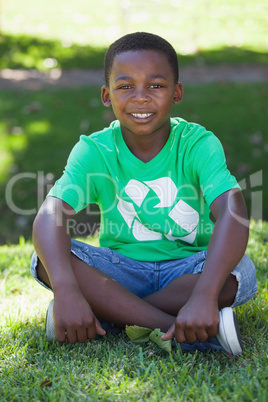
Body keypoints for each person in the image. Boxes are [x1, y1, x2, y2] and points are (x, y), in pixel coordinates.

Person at [30, 32, 257, 355]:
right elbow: (51, 214)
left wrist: (205, 295)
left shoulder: (197, 144)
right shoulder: (95, 150)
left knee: (240, 273)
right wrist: (66, 290)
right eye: (125, 87)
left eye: (156, 85)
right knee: (43, 260)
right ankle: (174, 328)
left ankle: (109, 315)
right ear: (107, 95)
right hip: (121, 271)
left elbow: (232, 213)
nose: (140, 97)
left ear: (176, 93)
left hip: (188, 270)